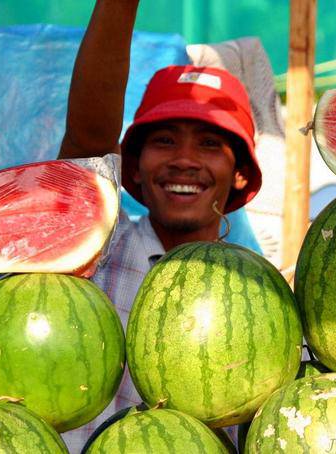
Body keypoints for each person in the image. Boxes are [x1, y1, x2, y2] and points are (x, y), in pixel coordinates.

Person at [57, 0, 263, 451]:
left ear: (241, 173)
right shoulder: (97, 252)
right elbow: (87, 143)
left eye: (209, 144)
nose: (184, 161)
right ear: (135, 167)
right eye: (165, 140)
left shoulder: (264, 293)